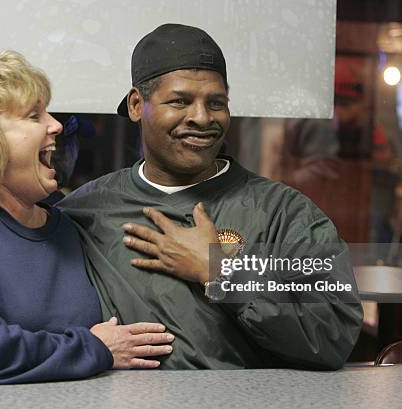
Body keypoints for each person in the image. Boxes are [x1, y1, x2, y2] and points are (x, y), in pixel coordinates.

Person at [57, 23, 364, 370]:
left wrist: (221, 271)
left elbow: (333, 335)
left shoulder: (284, 215)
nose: (202, 118)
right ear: (136, 104)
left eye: (216, 103)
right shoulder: (85, 212)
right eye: (180, 101)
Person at [0, 49, 173, 384]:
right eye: (33, 116)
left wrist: (212, 269)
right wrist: (93, 348)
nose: (56, 125)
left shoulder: (67, 228)